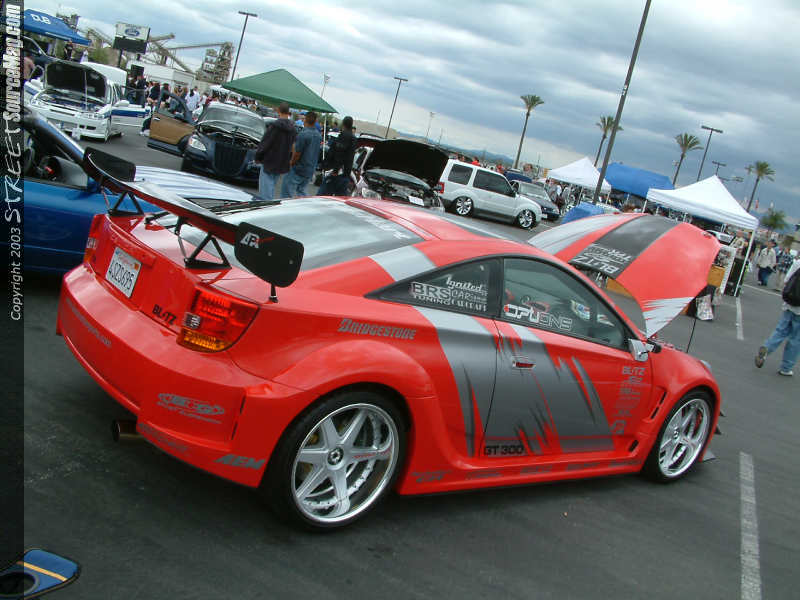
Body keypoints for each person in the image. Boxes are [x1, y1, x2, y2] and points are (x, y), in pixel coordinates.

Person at [755, 256, 800, 376]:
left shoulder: (798, 263)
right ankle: (786, 367)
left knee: (780, 330)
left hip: (789, 304)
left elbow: (786, 281)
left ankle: (767, 348)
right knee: (796, 339)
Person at [254, 102, 297, 200]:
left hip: (269, 160)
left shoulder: (275, 126)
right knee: (272, 187)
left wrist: (258, 156)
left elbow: (266, 143)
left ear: (278, 111)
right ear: (288, 112)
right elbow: (293, 147)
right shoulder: (293, 129)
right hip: (282, 162)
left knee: (265, 191)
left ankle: (266, 207)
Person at [281, 111, 322, 198]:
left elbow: (297, 153)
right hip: (310, 169)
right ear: (315, 121)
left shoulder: (303, 134)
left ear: (305, 120)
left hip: (298, 168)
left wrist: (291, 162)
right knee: (302, 191)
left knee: (287, 192)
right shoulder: (318, 136)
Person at [317, 116, 357, 196]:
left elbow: (340, 154)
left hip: (337, 172)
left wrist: (335, 170)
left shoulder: (343, 137)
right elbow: (349, 156)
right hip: (346, 173)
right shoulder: (353, 139)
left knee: (322, 196)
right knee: (340, 199)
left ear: (343, 124)